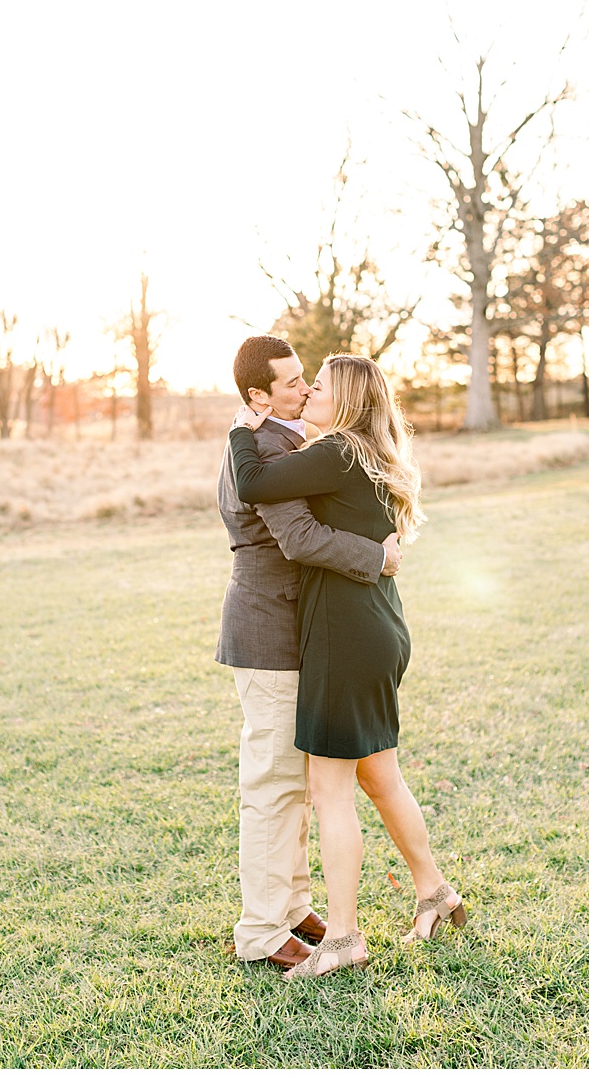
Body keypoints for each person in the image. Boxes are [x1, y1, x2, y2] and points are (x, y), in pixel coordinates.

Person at [229, 352, 466, 981]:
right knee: (380, 778)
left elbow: (252, 485)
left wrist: (239, 427)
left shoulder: (335, 453)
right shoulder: (364, 453)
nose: (308, 395)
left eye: (320, 387)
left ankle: (342, 938)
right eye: (302, 386)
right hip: (379, 627)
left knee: (328, 790)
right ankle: (436, 893)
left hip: (343, 634)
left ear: (347, 402)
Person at [216, 336, 401, 973]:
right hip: (269, 631)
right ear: (256, 397)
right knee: (272, 784)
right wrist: (376, 557)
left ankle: (292, 905)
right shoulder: (264, 444)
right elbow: (296, 537)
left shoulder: (285, 438)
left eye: (305, 379)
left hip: (299, 633)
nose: (303, 389)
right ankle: (263, 930)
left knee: (293, 781)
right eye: (291, 383)